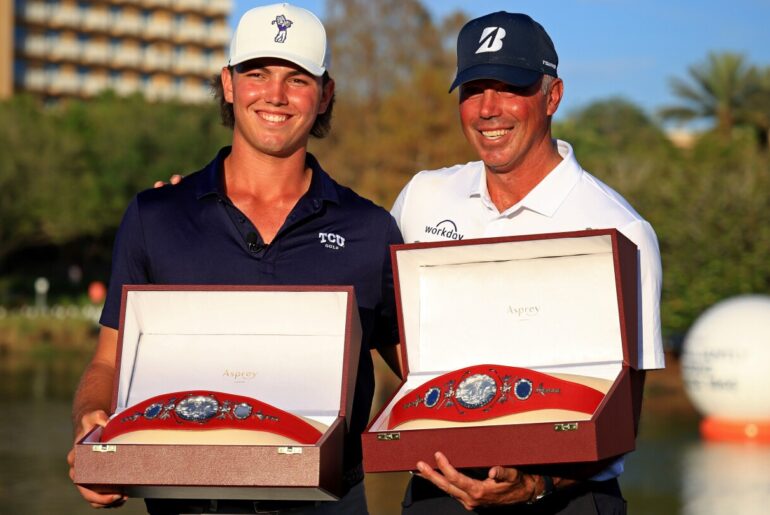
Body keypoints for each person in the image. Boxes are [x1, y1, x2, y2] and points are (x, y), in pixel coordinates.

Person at [66, 4, 401, 514]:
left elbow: (419, 374)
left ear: (326, 94)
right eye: (257, 73)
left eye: (298, 79)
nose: (275, 95)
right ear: (228, 83)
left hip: (329, 502)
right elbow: (108, 362)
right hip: (184, 501)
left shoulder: (370, 230)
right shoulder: (155, 216)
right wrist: (93, 423)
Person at [391, 12, 664, 514]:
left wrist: (537, 483)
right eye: (473, 89)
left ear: (553, 96)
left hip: (566, 498)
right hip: (440, 489)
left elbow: (624, 416)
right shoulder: (422, 198)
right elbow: (384, 320)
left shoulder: (619, 228)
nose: (488, 109)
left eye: (509, 87)